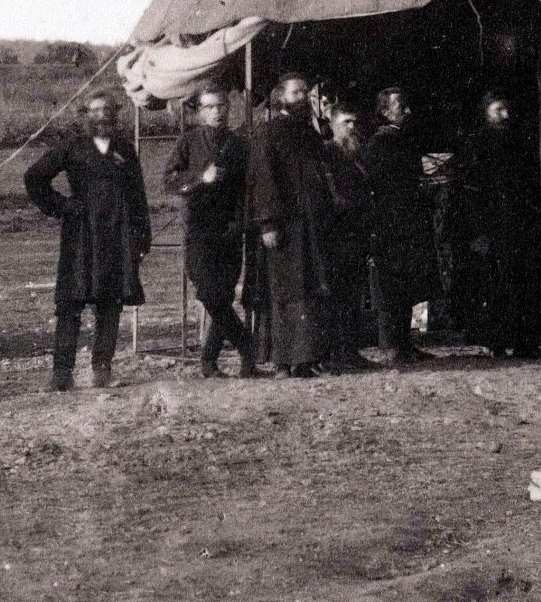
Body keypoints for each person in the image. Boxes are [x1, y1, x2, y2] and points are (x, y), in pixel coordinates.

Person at [25, 92, 151, 390]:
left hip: (117, 236)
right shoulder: (72, 147)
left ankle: (102, 369)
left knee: (111, 304)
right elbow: (34, 177)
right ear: (86, 116)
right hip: (81, 236)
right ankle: (62, 373)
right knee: (70, 303)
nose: (102, 116)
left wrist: (142, 237)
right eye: (95, 111)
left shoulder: (125, 149)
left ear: (116, 114)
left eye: (107, 110)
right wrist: (63, 206)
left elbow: (138, 194)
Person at [245, 71, 340, 379]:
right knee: (286, 291)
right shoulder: (269, 131)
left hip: (310, 225)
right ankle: (284, 360)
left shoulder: (309, 132)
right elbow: (264, 179)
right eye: (296, 93)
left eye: (305, 93)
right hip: (284, 226)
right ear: (281, 97)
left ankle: (307, 357)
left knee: (309, 289)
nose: (302, 98)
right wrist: (268, 223)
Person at [164, 85, 258, 378]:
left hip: (230, 230)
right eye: (210, 107)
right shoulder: (189, 141)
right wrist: (199, 179)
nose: (217, 112)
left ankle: (209, 361)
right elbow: (168, 180)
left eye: (221, 106)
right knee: (208, 292)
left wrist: (241, 223)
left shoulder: (239, 144)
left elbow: (248, 188)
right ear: (200, 112)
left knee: (224, 295)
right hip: (199, 229)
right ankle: (247, 345)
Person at [453, 88, 541, 358]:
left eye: (506, 109)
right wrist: (477, 231)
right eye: (498, 110)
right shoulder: (475, 147)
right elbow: (468, 195)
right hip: (493, 228)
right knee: (496, 285)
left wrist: (537, 220)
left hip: (520, 227)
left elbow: (528, 187)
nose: (506, 115)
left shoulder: (518, 143)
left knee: (525, 283)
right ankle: (496, 342)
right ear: (486, 113)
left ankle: (526, 343)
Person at [363, 87, 440, 365]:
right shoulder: (378, 144)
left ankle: (404, 344)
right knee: (390, 286)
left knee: (406, 284)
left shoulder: (402, 141)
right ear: (385, 112)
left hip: (407, 223)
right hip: (390, 225)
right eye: (400, 106)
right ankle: (391, 346)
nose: (407, 111)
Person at [319, 96, 380, 371]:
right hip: (335, 233)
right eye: (346, 122)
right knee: (336, 295)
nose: (352, 127)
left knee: (354, 293)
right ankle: (335, 353)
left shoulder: (359, 155)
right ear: (333, 125)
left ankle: (350, 351)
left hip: (357, 232)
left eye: (355, 122)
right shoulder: (327, 154)